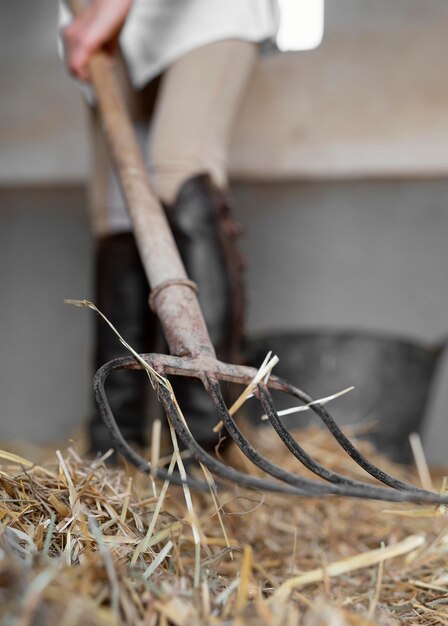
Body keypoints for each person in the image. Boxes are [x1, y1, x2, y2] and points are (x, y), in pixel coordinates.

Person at [59, 0, 322, 456]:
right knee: (119, 207)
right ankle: (116, 446)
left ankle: (204, 443)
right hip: (95, 19)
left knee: (180, 168)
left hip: (199, 11)